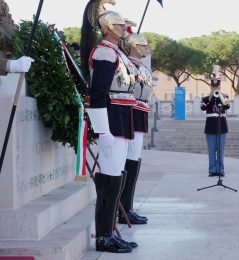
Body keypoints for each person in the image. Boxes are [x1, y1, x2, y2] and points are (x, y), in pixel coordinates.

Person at [81, 9, 137, 253]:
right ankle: (103, 237)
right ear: (109, 28)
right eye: (120, 25)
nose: (125, 29)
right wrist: (102, 131)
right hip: (111, 119)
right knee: (110, 179)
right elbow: (98, 93)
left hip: (122, 118)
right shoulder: (105, 52)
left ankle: (110, 232)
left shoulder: (116, 53)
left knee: (117, 177)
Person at [117, 32, 151, 225]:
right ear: (134, 46)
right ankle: (123, 210)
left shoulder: (142, 66)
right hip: (131, 111)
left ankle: (127, 207)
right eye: (143, 45)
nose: (146, 48)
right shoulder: (127, 65)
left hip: (140, 111)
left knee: (134, 160)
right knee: (127, 161)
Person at [201, 69, 230, 177]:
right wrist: (210, 96)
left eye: (217, 87)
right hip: (210, 126)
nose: (215, 88)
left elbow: (227, 106)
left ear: (220, 86)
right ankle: (212, 170)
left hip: (222, 125)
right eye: (213, 87)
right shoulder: (205, 98)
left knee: (220, 150)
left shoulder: (224, 97)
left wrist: (220, 95)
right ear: (210, 87)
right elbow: (203, 107)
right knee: (211, 150)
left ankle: (220, 169)